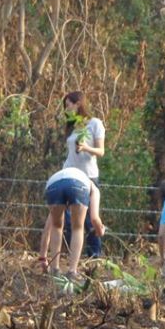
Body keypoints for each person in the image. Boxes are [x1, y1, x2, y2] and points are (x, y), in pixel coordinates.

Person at [39, 167, 105, 278]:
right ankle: (72, 271)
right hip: (79, 186)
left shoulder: (63, 176)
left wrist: (43, 257)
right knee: (78, 228)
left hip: (53, 185)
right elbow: (94, 219)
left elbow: (47, 229)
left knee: (56, 226)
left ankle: (54, 270)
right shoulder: (93, 188)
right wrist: (100, 231)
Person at [62, 91, 105, 258]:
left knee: (89, 219)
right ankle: (72, 253)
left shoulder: (94, 124)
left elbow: (101, 151)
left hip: (88, 176)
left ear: (78, 103)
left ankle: (95, 254)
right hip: (69, 174)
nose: (66, 109)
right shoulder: (73, 126)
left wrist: (85, 148)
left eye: (68, 105)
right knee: (66, 217)